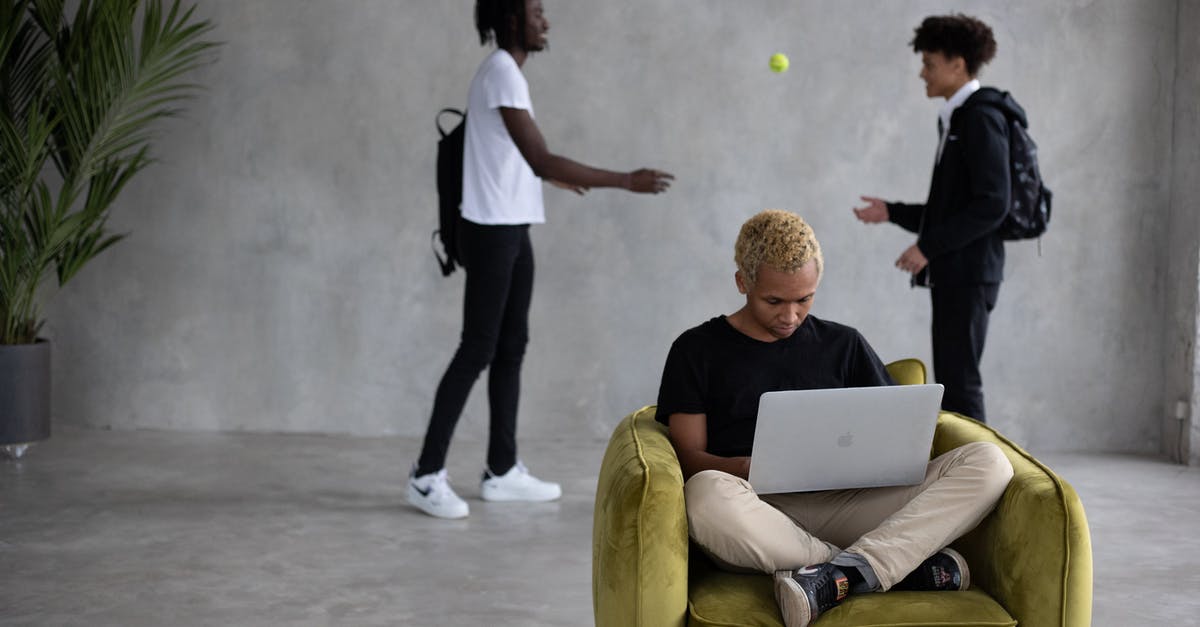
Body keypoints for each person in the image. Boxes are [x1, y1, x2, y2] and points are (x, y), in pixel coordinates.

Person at [655, 210, 1013, 627]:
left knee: (990, 462)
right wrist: (747, 468)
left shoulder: (844, 344)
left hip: (850, 504)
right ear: (743, 283)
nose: (790, 316)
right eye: (774, 301)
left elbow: (899, 433)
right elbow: (688, 457)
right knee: (703, 495)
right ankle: (880, 565)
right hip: (757, 512)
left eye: (804, 299)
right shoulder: (696, 350)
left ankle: (839, 575)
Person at [409, 0, 675, 520]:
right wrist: (626, 180)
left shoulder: (505, 73)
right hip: (492, 232)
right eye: (537, 11)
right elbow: (539, 157)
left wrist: (553, 176)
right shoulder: (502, 72)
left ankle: (502, 470)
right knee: (477, 348)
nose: (545, 20)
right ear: (512, 18)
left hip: (511, 226)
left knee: (510, 347)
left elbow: (514, 158)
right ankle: (424, 476)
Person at [854, 14, 1026, 423]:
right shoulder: (958, 118)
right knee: (954, 378)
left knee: (961, 383)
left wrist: (927, 247)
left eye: (929, 63)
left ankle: (980, 476)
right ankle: (963, 471)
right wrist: (892, 212)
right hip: (960, 271)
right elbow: (953, 207)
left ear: (958, 65)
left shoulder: (980, 118)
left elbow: (992, 204)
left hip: (969, 272)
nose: (922, 73)